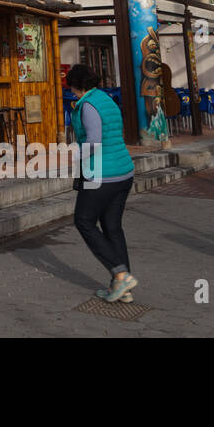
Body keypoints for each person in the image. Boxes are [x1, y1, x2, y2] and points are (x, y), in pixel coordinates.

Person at [67, 64, 138, 303]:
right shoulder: (106, 99)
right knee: (112, 227)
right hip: (123, 172)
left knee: (84, 221)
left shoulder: (87, 104)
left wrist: (72, 154)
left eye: (72, 88)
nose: (72, 92)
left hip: (101, 174)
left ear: (77, 85)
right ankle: (122, 286)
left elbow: (95, 140)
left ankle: (120, 274)